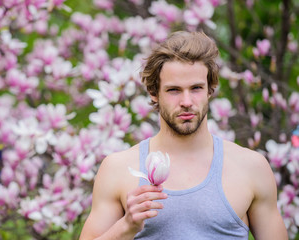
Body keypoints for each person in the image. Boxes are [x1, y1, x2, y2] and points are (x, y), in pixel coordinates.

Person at [79, 31, 288, 240]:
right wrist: (126, 227)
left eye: (196, 88)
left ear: (210, 90)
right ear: (154, 92)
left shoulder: (251, 167)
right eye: (174, 90)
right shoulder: (118, 168)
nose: (187, 101)